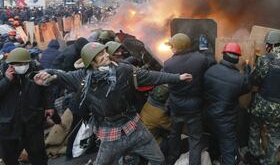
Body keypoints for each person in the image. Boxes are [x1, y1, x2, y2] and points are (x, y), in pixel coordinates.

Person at [34, 42, 192, 165]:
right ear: (91, 62)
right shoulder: (81, 77)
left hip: (135, 128)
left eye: (104, 52)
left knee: (158, 160)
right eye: (99, 55)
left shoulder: (124, 70)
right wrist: (46, 74)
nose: (105, 56)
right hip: (111, 134)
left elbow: (152, 76)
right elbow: (60, 75)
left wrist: (177, 78)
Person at [248, 30, 280, 165]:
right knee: (276, 137)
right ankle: (269, 161)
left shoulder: (265, 60)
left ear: (270, 45)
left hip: (263, 106)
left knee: (254, 126)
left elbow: (254, 80)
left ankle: (254, 155)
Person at [163, 33, 214, 165]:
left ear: (177, 47)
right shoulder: (200, 59)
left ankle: (171, 159)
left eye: (172, 46)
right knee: (195, 139)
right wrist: (204, 48)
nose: (171, 49)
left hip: (176, 107)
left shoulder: (168, 63)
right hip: (194, 107)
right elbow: (211, 60)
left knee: (175, 134)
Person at [0, 48, 54, 165]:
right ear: (10, 65)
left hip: (32, 121)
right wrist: (6, 80)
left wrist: (49, 106)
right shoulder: (2, 74)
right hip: (9, 124)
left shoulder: (35, 72)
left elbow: (46, 90)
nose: (22, 66)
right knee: (9, 157)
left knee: (38, 155)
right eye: (17, 64)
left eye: (24, 63)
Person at [203, 42, 252, 165]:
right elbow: (247, 87)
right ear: (237, 59)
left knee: (213, 139)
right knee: (229, 151)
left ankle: (214, 159)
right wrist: (247, 72)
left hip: (209, 116)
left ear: (223, 55)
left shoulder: (210, 71)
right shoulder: (239, 79)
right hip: (226, 121)